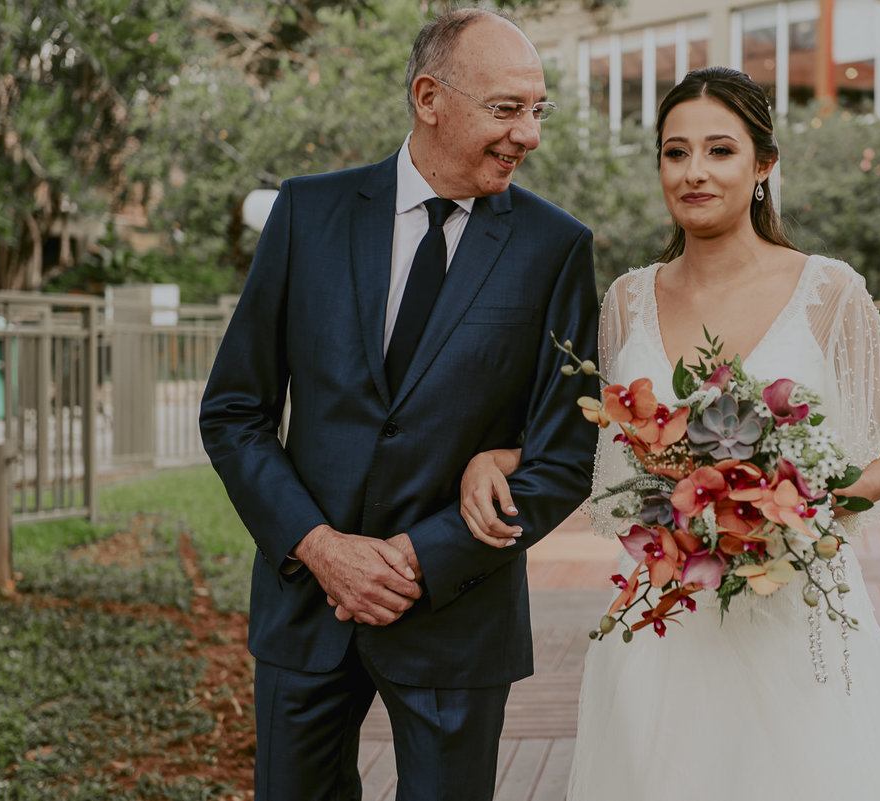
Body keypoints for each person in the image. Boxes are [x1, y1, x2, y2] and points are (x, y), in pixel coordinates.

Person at [458, 67, 880, 801]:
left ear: (764, 164)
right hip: (664, 619)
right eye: (675, 153)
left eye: (719, 151)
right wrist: (499, 454)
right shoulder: (627, 299)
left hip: (798, 614)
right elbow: (599, 433)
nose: (694, 172)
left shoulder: (829, 290)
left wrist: (807, 511)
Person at [198, 9, 599, 800]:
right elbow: (234, 412)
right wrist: (320, 548)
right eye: (507, 109)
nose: (530, 134)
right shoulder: (306, 214)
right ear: (428, 97)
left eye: (537, 110)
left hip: (458, 617)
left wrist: (420, 559)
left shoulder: (557, 248)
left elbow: (567, 452)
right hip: (305, 609)